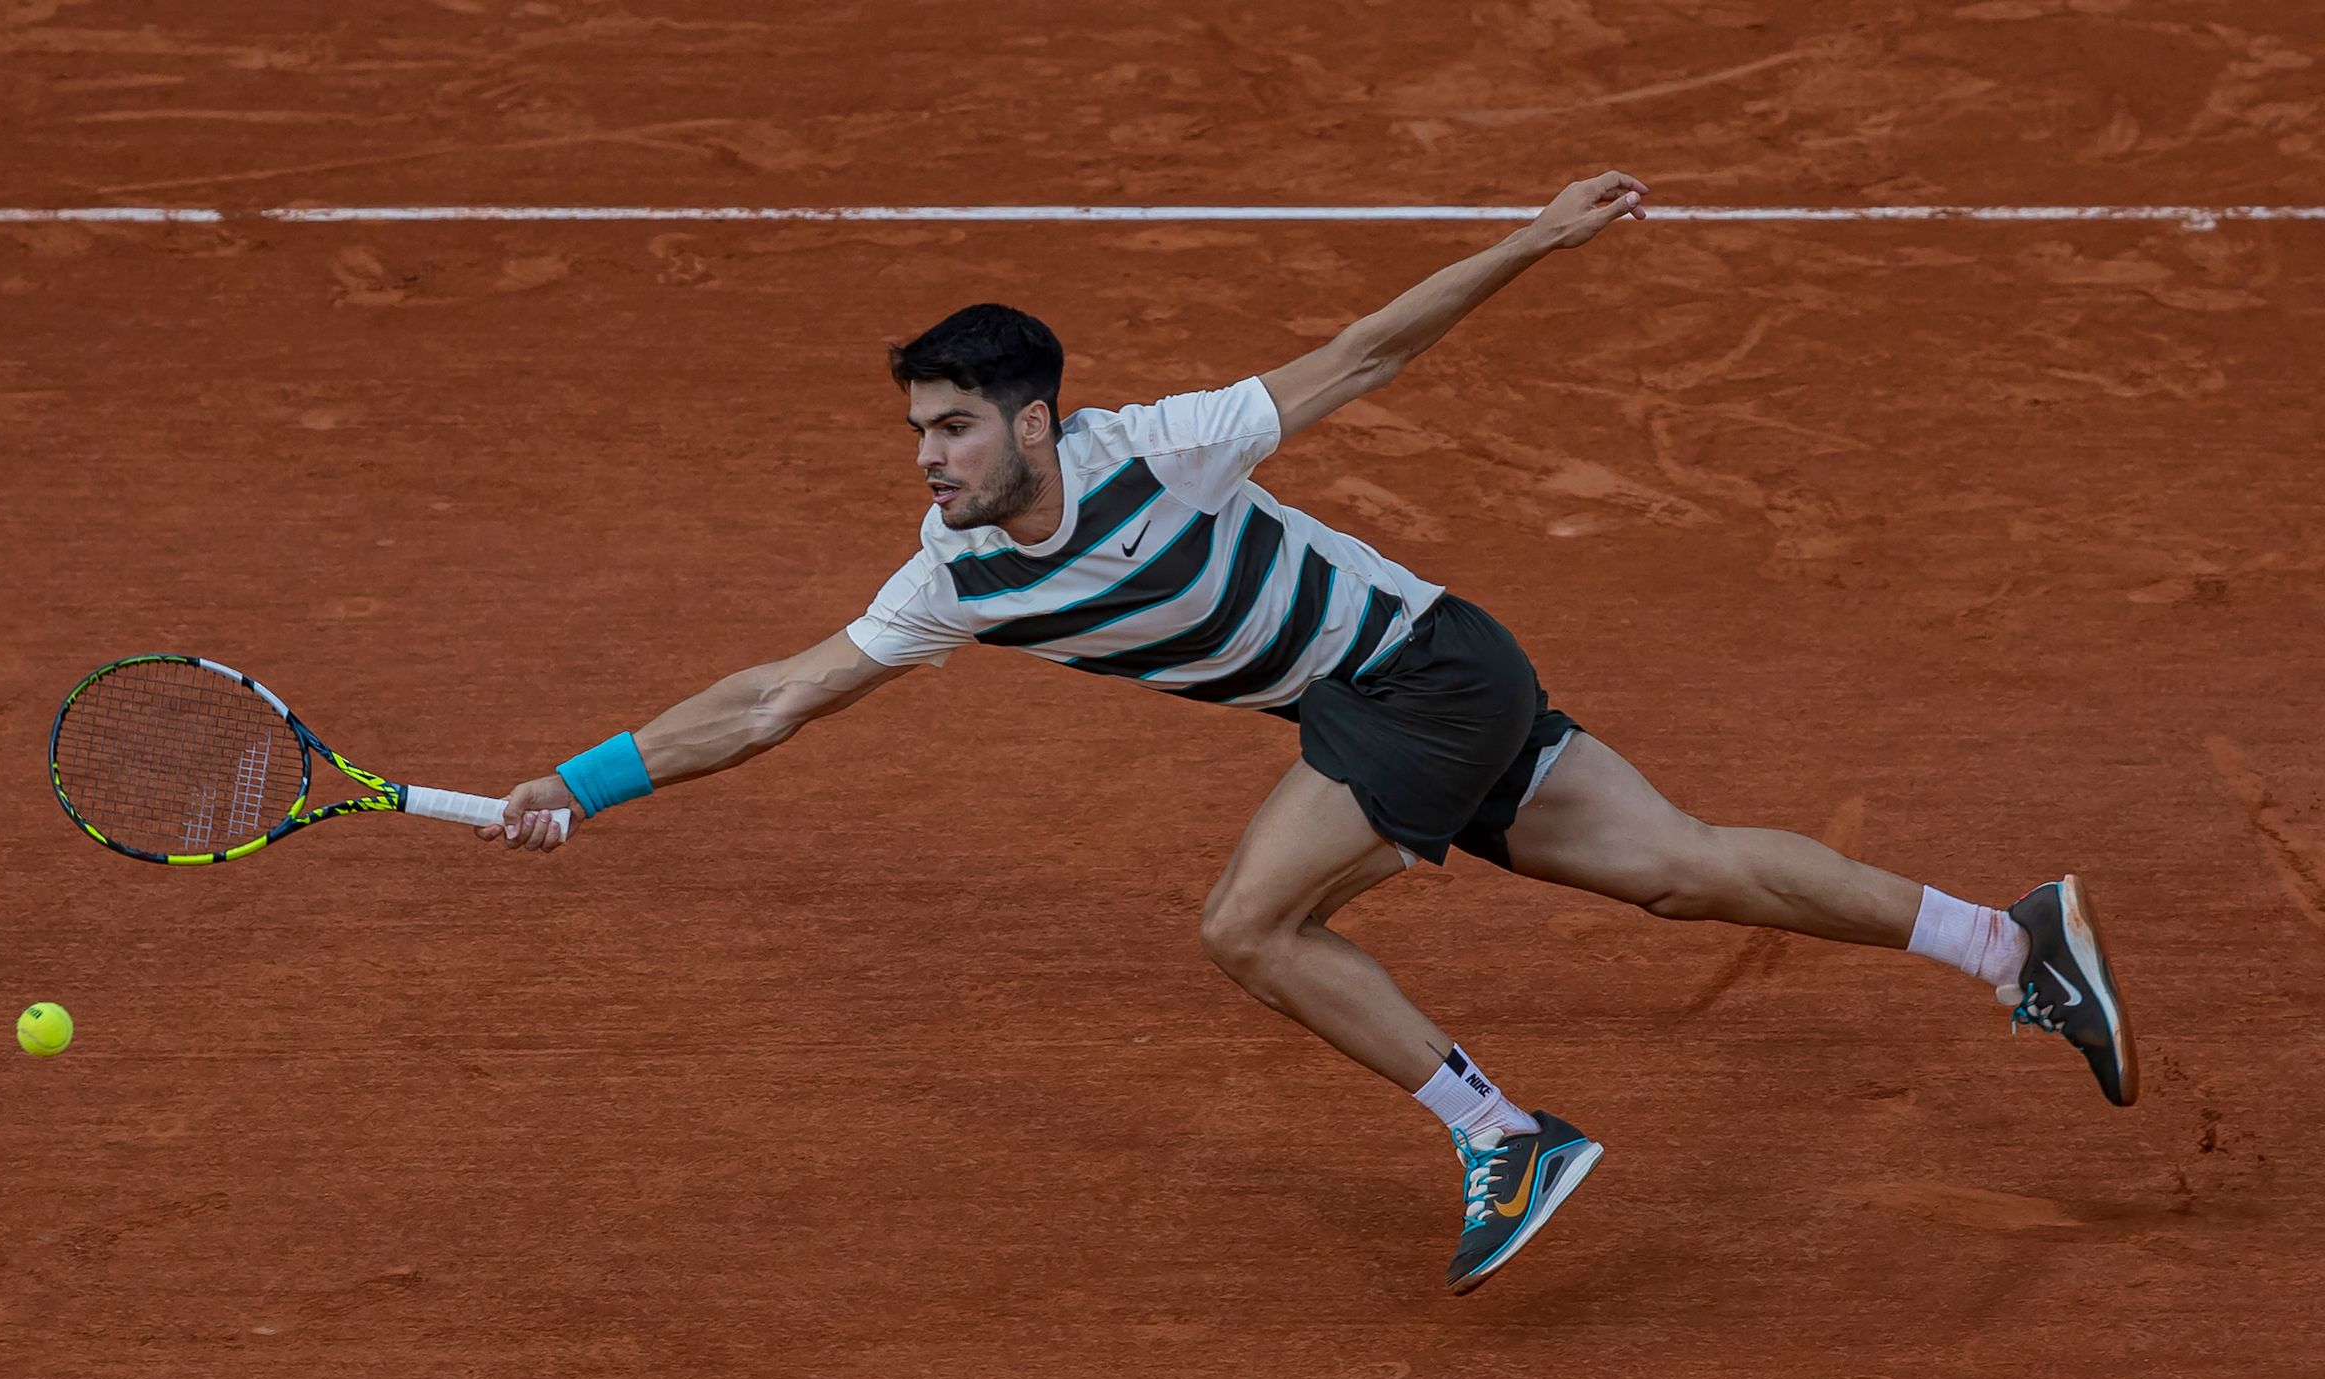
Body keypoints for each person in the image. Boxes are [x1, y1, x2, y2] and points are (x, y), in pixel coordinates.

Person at [485, 171, 2138, 1295]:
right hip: (1415, 689)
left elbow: (1370, 348)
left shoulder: (1163, 450)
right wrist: (581, 779)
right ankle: (2011, 941)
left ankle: (1507, 1136)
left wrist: (1535, 239)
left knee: (1249, 924)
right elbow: (776, 695)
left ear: (1034, 419)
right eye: (917, 430)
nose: (927, 458)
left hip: (1417, 675)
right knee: (1685, 873)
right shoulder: (956, 580)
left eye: (952, 428)